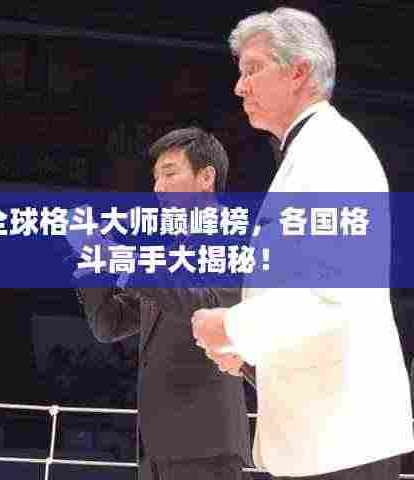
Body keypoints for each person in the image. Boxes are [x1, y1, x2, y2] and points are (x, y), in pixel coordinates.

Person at [191, 7, 414, 480]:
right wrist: (249, 347)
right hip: (329, 438)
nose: (240, 87)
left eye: (253, 69)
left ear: (299, 71)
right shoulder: (313, 151)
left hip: (340, 442)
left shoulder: (330, 154)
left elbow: (332, 298)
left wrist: (233, 326)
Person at [76, 127, 252, 480]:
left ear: (206, 177)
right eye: (155, 177)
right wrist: (91, 260)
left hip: (207, 444)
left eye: (170, 173)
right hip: (157, 448)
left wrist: (122, 260)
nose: (158, 187)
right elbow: (109, 325)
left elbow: (205, 304)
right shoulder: (168, 255)